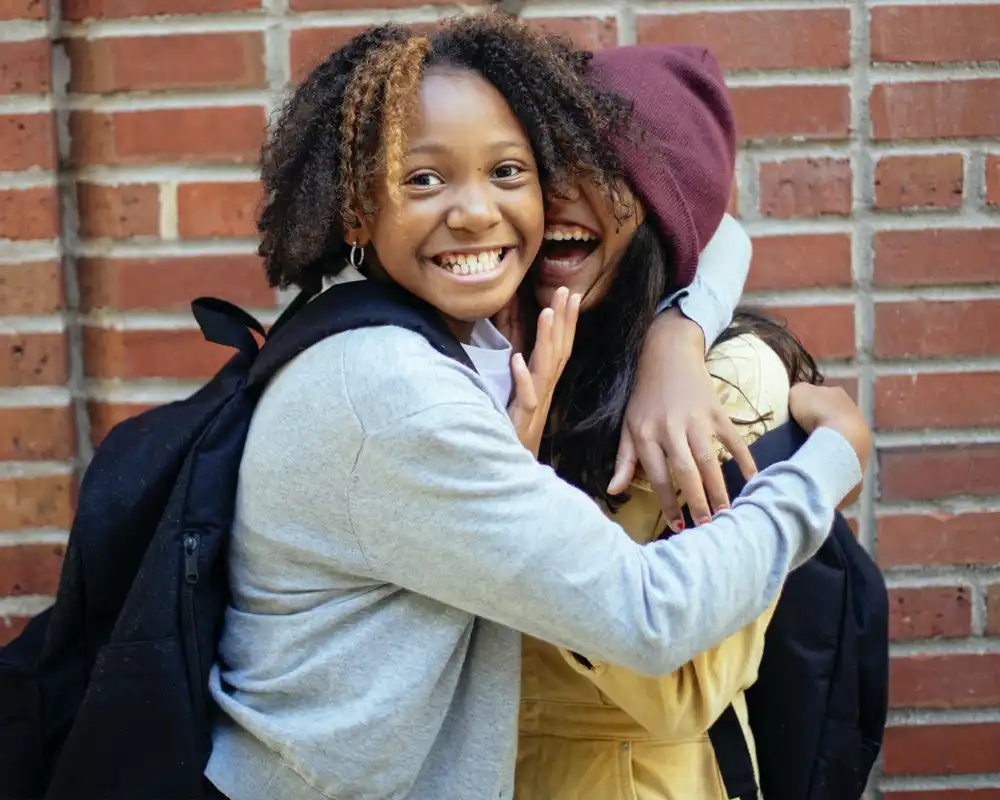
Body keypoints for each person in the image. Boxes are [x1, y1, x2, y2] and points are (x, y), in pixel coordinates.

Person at [204, 16, 869, 800]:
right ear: (357, 208)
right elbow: (644, 610)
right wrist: (834, 461)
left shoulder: (712, 382)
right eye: (543, 165)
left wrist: (679, 332)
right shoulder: (428, 373)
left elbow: (679, 685)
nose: (530, 202)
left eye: (510, 170)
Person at [514, 44, 832, 799]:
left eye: (598, 163)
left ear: (662, 195)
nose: (558, 191)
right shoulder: (498, 352)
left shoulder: (729, 382)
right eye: (534, 161)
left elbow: (683, 682)